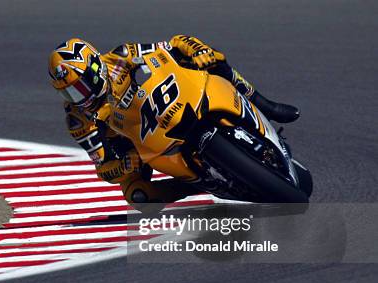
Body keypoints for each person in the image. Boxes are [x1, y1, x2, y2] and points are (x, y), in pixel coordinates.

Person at [48, 35, 299, 210]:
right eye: (69, 93)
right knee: (138, 195)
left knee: (212, 58)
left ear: (96, 67)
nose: (79, 97)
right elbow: (104, 168)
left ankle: (265, 105)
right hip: (139, 143)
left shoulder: (121, 57)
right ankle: (200, 184)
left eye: (80, 87)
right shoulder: (77, 119)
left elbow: (171, 47)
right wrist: (125, 165)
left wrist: (196, 50)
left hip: (168, 102)